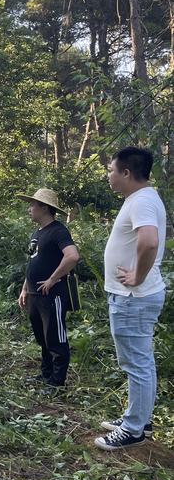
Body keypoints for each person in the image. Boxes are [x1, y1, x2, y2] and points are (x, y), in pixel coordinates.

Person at [94, 147, 166, 451]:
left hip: (132, 297)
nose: (109, 176)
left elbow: (149, 241)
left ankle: (134, 429)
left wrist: (137, 276)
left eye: (112, 170)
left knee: (136, 363)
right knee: (140, 362)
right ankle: (139, 419)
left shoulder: (143, 201)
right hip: (133, 297)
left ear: (126, 173)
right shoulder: (141, 199)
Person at [15, 188, 79, 389]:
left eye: (33, 204)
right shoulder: (37, 233)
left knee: (55, 338)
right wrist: (25, 289)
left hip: (53, 295)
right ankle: (46, 375)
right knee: (42, 337)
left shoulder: (58, 231)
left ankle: (57, 383)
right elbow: (32, 263)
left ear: (45, 207)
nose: (29, 208)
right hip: (35, 294)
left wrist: (52, 279)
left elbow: (72, 256)